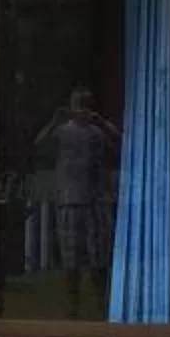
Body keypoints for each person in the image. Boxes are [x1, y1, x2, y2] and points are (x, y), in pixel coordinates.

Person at [33, 87, 121, 315]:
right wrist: (55, 121)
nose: (80, 111)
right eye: (77, 107)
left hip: (90, 199)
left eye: (83, 107)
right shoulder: (64, 131)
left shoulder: (95, 132)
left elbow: (121, 143)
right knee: (76, 256)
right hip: (74, 198)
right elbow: (37, 146)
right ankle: (76, 304)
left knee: (95, 256)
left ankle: (97, 304)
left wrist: (100, 121)